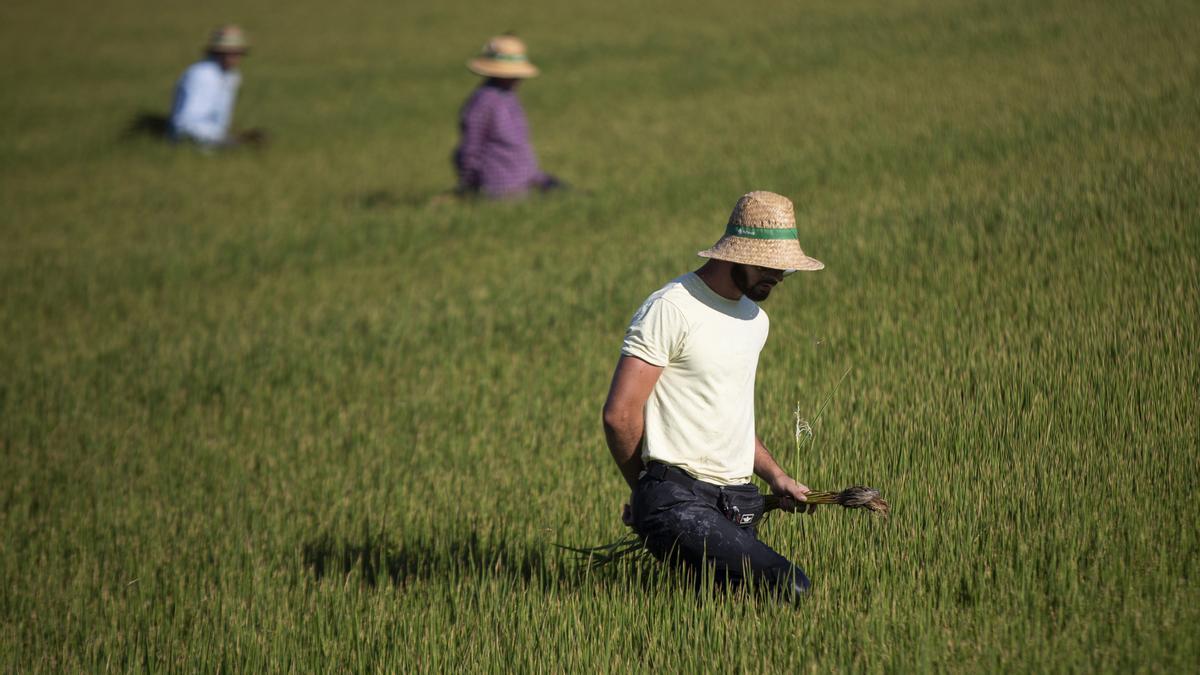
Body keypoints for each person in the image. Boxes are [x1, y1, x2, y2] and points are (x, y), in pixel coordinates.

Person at [601, 191, 826, 602]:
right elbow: (620, 414)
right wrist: (644, 488)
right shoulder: (672, 308)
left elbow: (730, 420)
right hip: (675, 499)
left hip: (734, 504)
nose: (777, 277)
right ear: (733, 254)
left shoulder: (755, 321)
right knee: (789, 585)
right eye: (769, 265)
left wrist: (776, 478)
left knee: (726, 611)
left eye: (785, 270)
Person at [453, 35, 563, 198]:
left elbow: (517, 150)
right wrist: (470, 186)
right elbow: (470, 148)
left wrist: (540, 179)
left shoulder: (509, 97)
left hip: (523, 185)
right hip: (497, 190)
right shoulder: (483, 102)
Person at [168, 25, 264, 148]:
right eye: (228, 52)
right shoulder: (201, 75)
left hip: (213, 141)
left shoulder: (231, 76)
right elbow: (186, 123)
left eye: (237, 52)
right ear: (217, 52)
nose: (233, 57)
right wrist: (228, 141)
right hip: (190, 143)